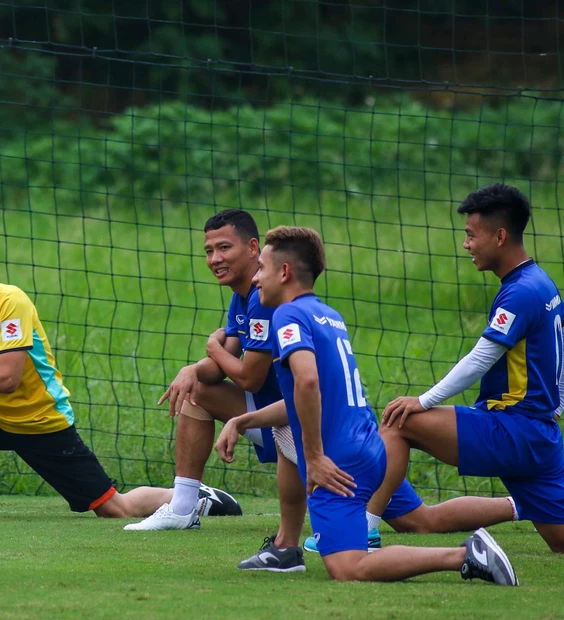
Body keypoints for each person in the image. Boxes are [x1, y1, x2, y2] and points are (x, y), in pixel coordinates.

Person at [218, 225, 517, 585]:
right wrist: (243, 420)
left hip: (339, 459)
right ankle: (286, 549)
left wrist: (313, 456)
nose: (256, 278)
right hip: (368, 447)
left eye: (261, 268)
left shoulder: (287, 315)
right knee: (405, 524)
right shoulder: (327, 315)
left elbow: (307, 381)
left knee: (348, 567)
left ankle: (464, 556)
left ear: (284, 272)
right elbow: (310, 397)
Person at [0, 226, 237, 521]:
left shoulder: (8, 301)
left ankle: (192, 497)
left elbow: (8, 379)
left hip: (40, 423)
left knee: (114, 508)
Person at [375, 184, 564, 553]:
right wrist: (556, 407)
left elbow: (480, 359)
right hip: (541, 434)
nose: (466, 244)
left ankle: (360, 531)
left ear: (500, 236)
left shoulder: (520, 292)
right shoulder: (542, 283)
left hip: (514, 430)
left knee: (400, 422)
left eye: (470, 235)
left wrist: (423, 400)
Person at [123, 210, 301, 558]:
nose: (215, 259)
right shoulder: (245, 295)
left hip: (301, 422)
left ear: (253, 248)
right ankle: (183, 508)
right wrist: (194, 368)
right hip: (278, 415)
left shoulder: (263, 298)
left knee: (412, 521)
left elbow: (250, 376)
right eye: (208, 251)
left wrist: (210, 348)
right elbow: (225, 361)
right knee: (198, 392)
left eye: (223, 248)